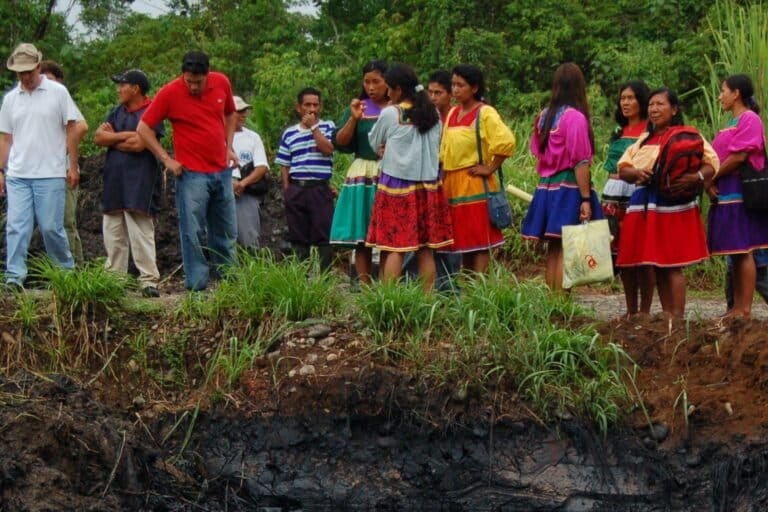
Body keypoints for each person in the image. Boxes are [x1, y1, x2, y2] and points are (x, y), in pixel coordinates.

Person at [137, 51, 238, 292]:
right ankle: (197, 286)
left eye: (198, 82)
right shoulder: (170, 92)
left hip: (221, 170)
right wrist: (166, 159)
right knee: (193, 231)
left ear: (207, 75)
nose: (193, 86)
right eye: (189, 81)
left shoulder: (221, 82)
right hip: (191, 173)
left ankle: (229, 283)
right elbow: (143, 128)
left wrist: (229, 146)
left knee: (226, 230)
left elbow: (231, 113)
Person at [616, 88, 718, 317]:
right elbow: (623, 168)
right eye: (651, 104)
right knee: (657, 264)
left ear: (674, 109)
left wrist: (696, 178)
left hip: (672, 205)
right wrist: (635, 173)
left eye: (660, 104)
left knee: (672, 263)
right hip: (645, 203)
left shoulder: (688, 136)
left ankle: (677, 317)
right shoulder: (644, 138)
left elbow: (711, 162)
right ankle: (666, 315)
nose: (654, 109)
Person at [0, 43, 81, 291]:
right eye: (20, 73)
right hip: (18, 174)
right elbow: (5, 137)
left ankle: (65, 273)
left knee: (50, 227)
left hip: (50, 173)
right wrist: (1, 171)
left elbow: (74, 126)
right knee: (17, 226)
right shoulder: (11, 99)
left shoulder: (57, 92)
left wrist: (73, 164)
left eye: (29, 71)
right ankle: (14, 277)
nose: (25, 77)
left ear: (38, 66)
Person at [365, 64, 453, 290]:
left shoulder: (391, 113)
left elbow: (374, 142)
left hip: (397, 186)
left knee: (395, 244)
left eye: (389, 89)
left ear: (397, 89)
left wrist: (386, 149)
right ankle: (426, 300)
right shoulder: (432, 112)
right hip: (428, 185)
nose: (387, 93)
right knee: (425, 247)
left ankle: (390, 299)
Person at [521, 62, 602, 290]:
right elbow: (580, 161)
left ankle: (553, 302)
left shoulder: (544, 117)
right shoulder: (575, 118)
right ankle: (562, 301)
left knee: (555, 249)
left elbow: (538, 152)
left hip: (547, 187)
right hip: (568, 188)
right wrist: (585, 198)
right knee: (567, 247)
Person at [439, 64, 516, 273]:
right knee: (464, 244)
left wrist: (490, 167)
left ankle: (479, 290)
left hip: (475, 186)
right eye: (453, 84)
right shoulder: (453, 113)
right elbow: (445, 152)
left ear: (474, 88)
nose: (455, 90)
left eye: (460, 85)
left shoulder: (485, 113)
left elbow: (506, 141)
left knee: (480, 242)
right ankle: (466, 289)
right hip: (453, 187)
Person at [93, 69, 163, 297]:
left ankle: (148, 280)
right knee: (113, 230)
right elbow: (98, 137)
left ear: (135, 88)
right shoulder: (116, 112)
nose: (118, 89)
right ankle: (115, 279)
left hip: (141, 180)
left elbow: (140, 144)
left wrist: (113, 139)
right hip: (114, 180)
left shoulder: (152, 111)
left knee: (140, 229)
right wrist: (124, 137)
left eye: (122, 85)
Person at [707, 74, 768, 318]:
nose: (720, 96)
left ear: (737, 93)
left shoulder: (749, 119)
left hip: (741, 194)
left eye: (723, 91)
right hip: (727, 195)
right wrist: (708, 183)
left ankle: (743, 308)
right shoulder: (731, 123)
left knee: (744, 250)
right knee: (736, 251)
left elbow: (740, 156)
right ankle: (736, 307)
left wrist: (712, 177)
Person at [330, 60, 389, 283]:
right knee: (362, 235)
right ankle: (364, 289)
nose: (371, 87)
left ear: (388, 82)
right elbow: (341, 142)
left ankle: (387, 287)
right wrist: (353, 120)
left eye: (376, 82)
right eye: (367, 82)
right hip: (362, 173)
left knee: (386, 233)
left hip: (389, 172)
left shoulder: (398, 107)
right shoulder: (358, 108)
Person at [601, 80, 655, 316]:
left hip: (638, 192)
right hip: (613, 194)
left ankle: (645, 310)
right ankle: (630, 309)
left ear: (642, 101)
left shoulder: (651, 130)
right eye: (623, 98)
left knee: (642, 252)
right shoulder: (617, 131)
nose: (626, 102)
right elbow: (610, 166)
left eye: (631, 98)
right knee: (622, 254)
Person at [275, 87, 335, 268]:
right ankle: (302, 277)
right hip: (297, 188)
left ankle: (325, 278)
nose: (312, 109)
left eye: (315, 105)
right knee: (298, 235)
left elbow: (328, 149)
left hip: (320, 188)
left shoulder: (328, 127)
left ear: (320, 107)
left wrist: (314, 128)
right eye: (307, 105)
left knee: (324, 234)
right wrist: (287, 189)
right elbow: (284, 163)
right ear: (299, 107)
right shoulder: (290, 133)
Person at [39, 60, 88, 265]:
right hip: (38, 172)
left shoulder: (61, 98)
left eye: (50, 79)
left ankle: (75, 270)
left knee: (65, 222)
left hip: (63, 169)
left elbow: (82, 126)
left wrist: (62, 148)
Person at [231, 96, 269, 250]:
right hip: (220, 190)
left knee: (249, 238)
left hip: (245, 192)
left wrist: (242, 184)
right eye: (239, 111)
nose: (243, 115)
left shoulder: (252, 137)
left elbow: (262, 167)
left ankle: (250, 271)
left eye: (244, 111)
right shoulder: (215, 135)